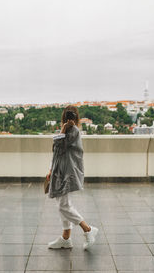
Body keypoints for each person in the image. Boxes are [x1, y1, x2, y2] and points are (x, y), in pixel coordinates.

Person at [46, 105, 98, 250]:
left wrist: (63, 129)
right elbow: (56, 151)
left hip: (67, 173)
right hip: (59, 171)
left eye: (72, 116)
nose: (69, 118)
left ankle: (88, 229)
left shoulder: (74, 131)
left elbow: (60, 145)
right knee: (62, 204)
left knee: (63, 205)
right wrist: (51, 169)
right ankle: (66, 238)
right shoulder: (66, 130)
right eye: (68, 116)